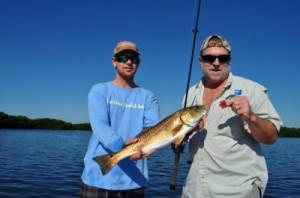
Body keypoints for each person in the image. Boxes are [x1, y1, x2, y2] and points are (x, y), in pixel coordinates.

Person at [181, 34, 283, 198]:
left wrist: (251, 117)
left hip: (238, 191)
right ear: (201, 61)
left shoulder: (251, 89)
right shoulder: (189, 94)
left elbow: (271, 137)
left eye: (222, 58)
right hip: (193, 190)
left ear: (230, 60)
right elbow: (180, 137)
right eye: (209, 58)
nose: (216, 63)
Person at [80, 41, 160, 198]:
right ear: (114, 62)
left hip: (134, 180)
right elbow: (99, 126)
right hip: (98, 177)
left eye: (134, 58)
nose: (129, 62)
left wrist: (144, 149)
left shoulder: (148, 96)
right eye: (123, 58)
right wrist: (121, 145)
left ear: (139, 63)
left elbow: (154, 129)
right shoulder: (100, 90)